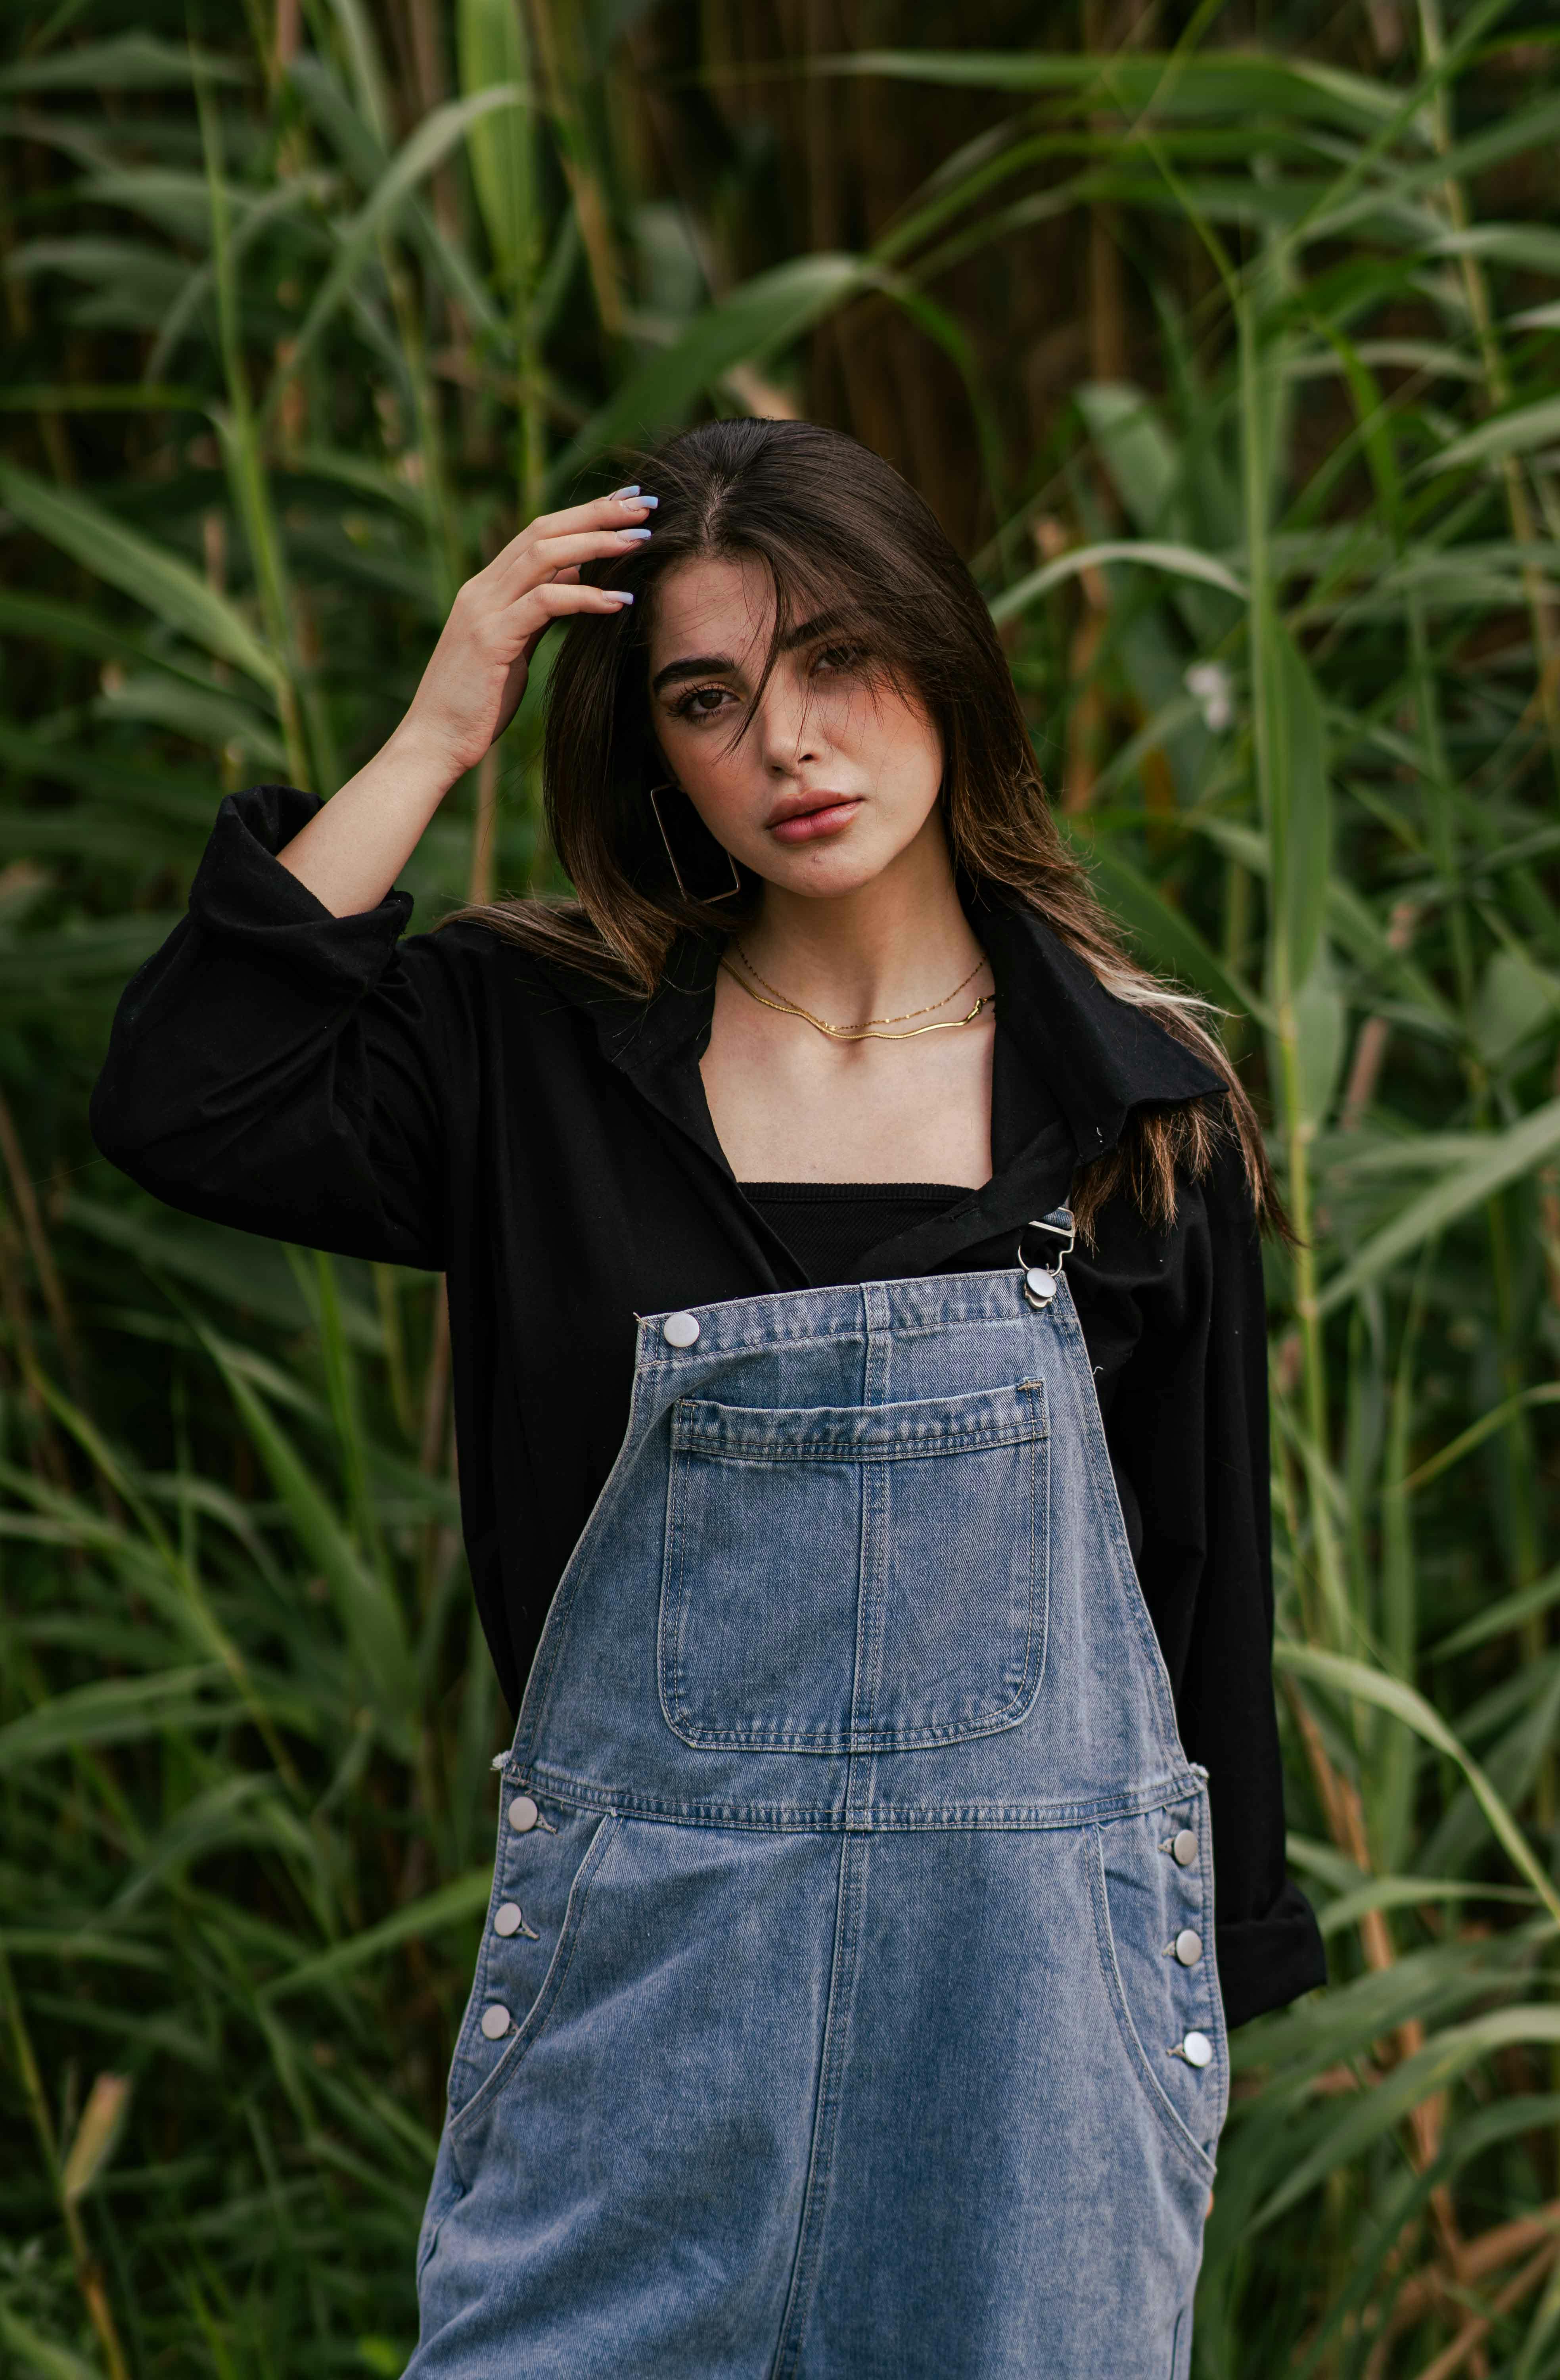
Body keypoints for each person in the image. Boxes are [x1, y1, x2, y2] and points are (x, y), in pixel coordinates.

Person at [91, 417, 1325, 2377]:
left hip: (1023, 2042)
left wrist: (1202, 1997)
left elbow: (1199, 1603)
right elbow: (188, 1095)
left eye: (837, 660)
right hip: (638, 2024)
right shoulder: (535, 1050)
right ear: (650, 741)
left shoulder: (1135, 1113)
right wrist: (431, 734)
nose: (790, 746)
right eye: (708, 696)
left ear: (941, 656)